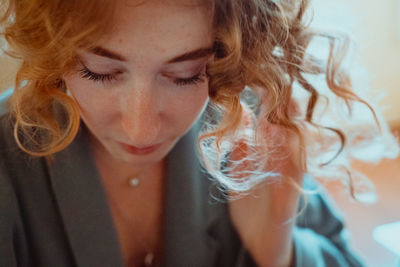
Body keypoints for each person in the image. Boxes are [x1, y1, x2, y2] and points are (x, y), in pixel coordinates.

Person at [0, 0, 397, 266]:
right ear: (53, 52)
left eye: (185, 76)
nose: (142, 129)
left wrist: (277, 253)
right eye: (100, 73)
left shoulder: (247, 129)